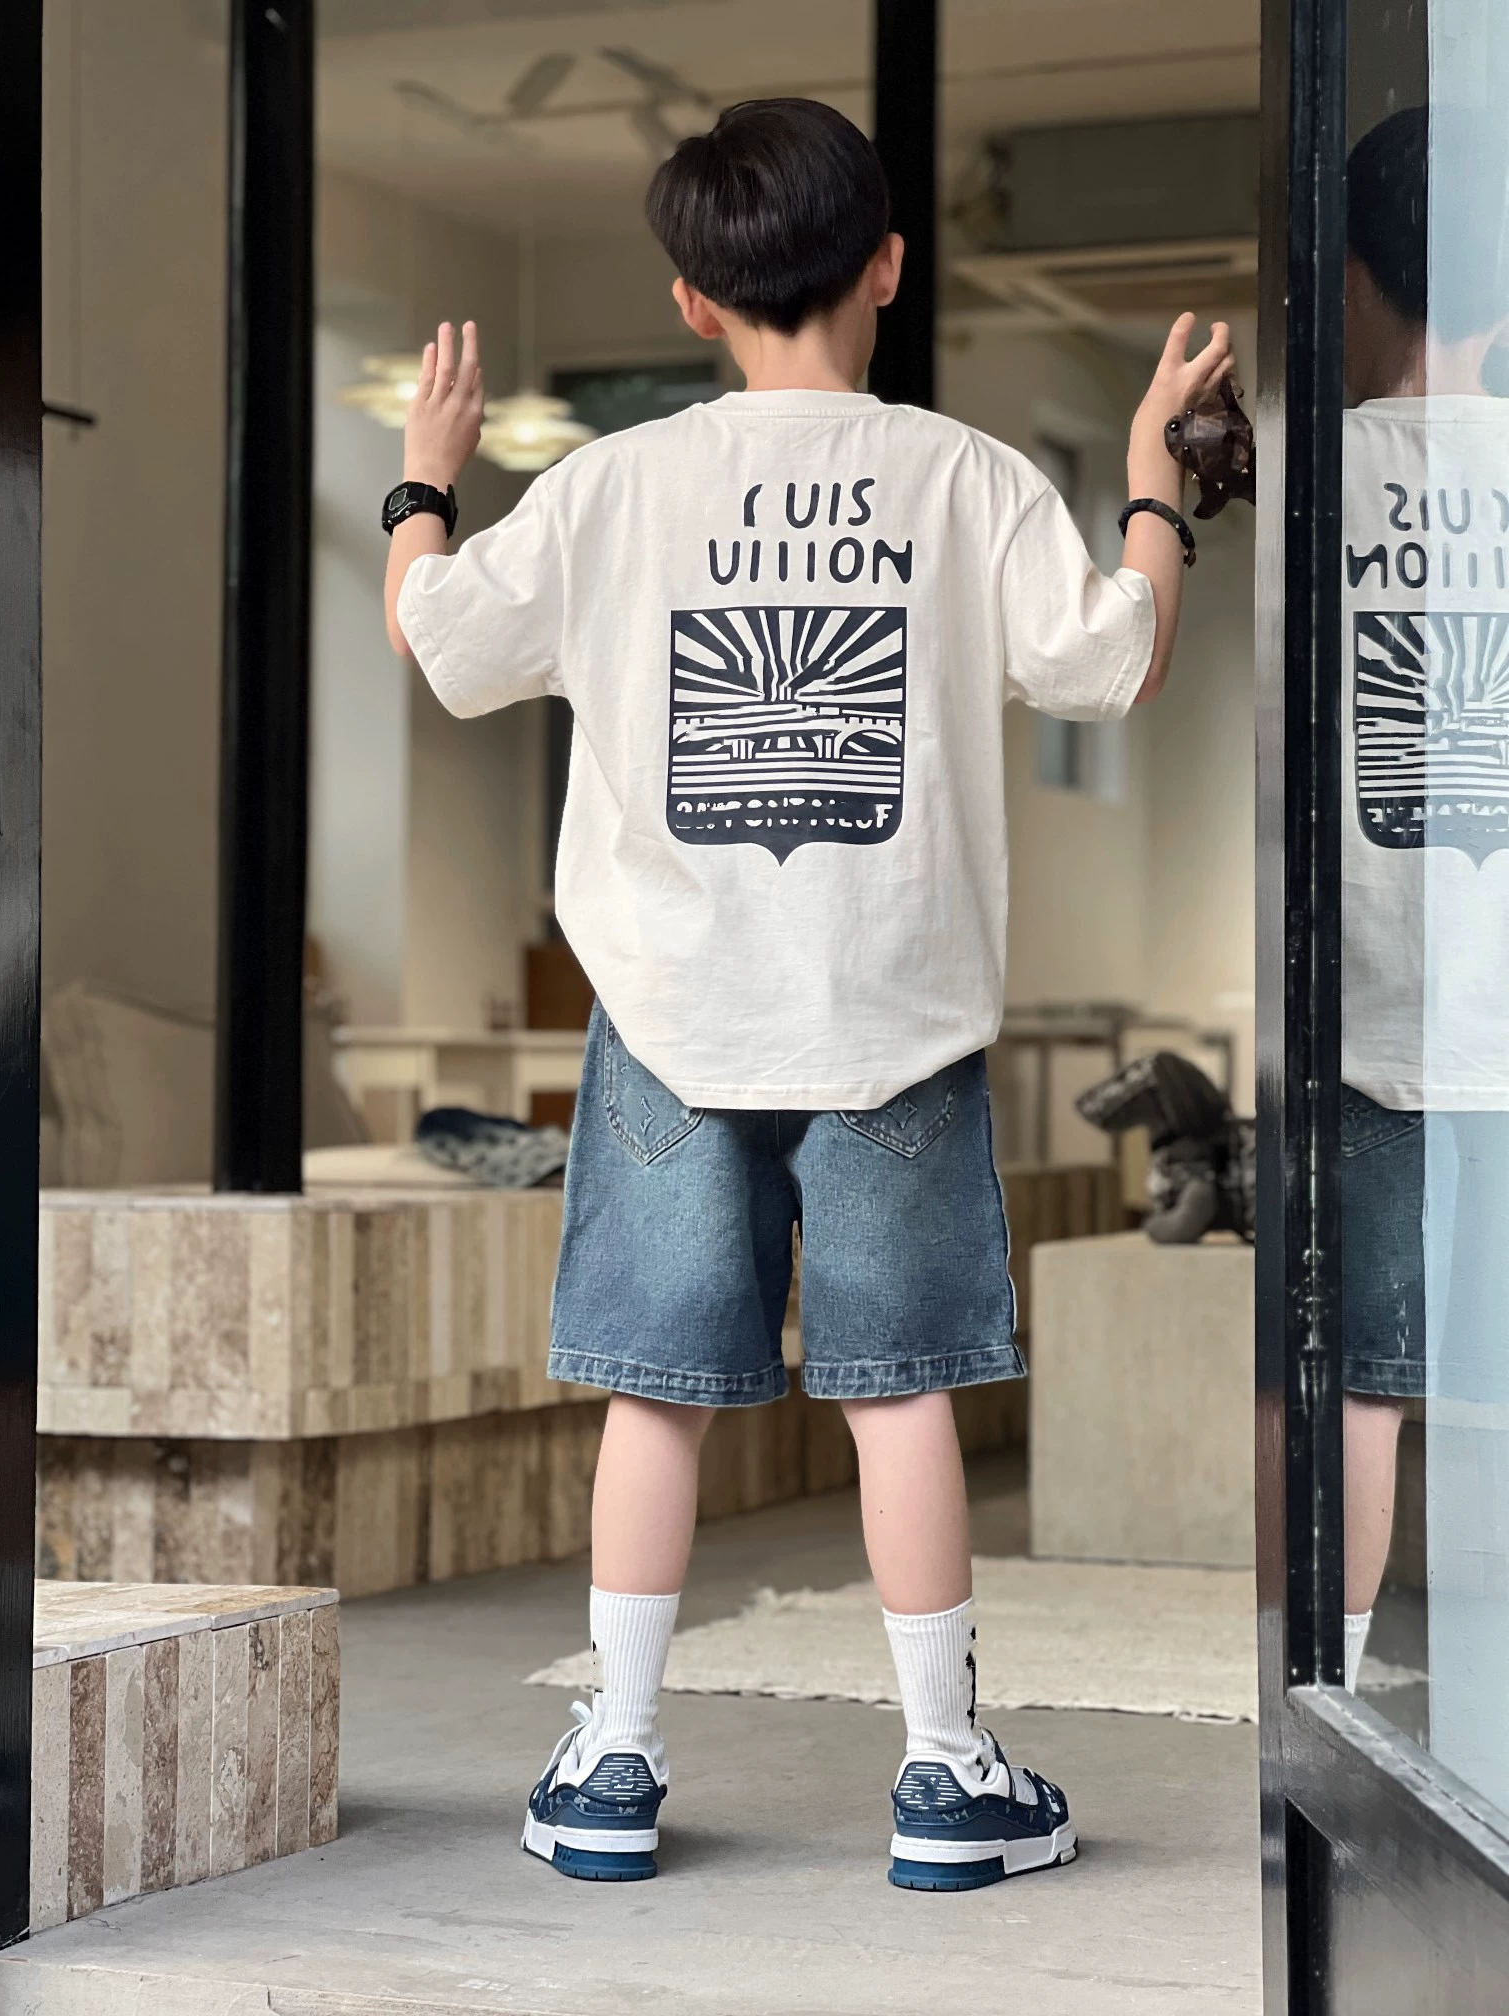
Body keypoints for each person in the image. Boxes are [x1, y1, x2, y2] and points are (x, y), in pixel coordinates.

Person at [383, 97, 1231, 1890]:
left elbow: (439, 639)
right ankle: (946, 1779)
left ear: (691, 300)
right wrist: (1155, 480)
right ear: (890, 268)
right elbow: (1114, 657)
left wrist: (423, 483)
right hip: (892, 1028)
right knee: (899, 1392)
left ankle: (612, 1763)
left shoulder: (614, 487)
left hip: (668, 1025)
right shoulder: (968, 477)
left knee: (655, 1395)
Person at [1339, 104, 1509, 1800]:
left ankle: (1320, 1703)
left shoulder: (1320, 476)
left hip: (1367, 1006)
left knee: (1360, 1383)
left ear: (1354, 277)